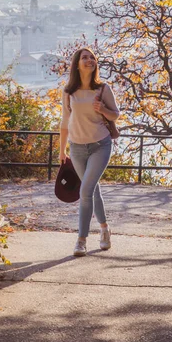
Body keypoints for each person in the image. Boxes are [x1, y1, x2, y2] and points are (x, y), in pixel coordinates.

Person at [59, 47, 120, 257]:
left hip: (100, 145)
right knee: (92, 191)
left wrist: (102, 109)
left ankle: (81, 240)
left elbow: (115, 115)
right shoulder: (68, 92)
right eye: (85, 57)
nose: (89, 60)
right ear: (77, 64)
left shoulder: (103, 88)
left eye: (92, 57)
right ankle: (105, 230)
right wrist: (61, 150)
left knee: (85, 192)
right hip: (76, 148)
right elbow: (65, 122)